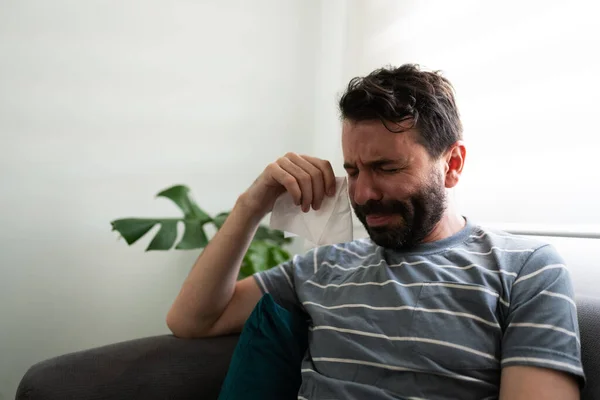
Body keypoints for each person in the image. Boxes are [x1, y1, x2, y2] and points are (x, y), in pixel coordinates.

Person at [166, 64, 584, 399]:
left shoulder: (526, 271)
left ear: (452, 164)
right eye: (352, 170)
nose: (363, 194)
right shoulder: (322, 268)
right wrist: (252, 204)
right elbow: (192, 320)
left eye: (387, 168)